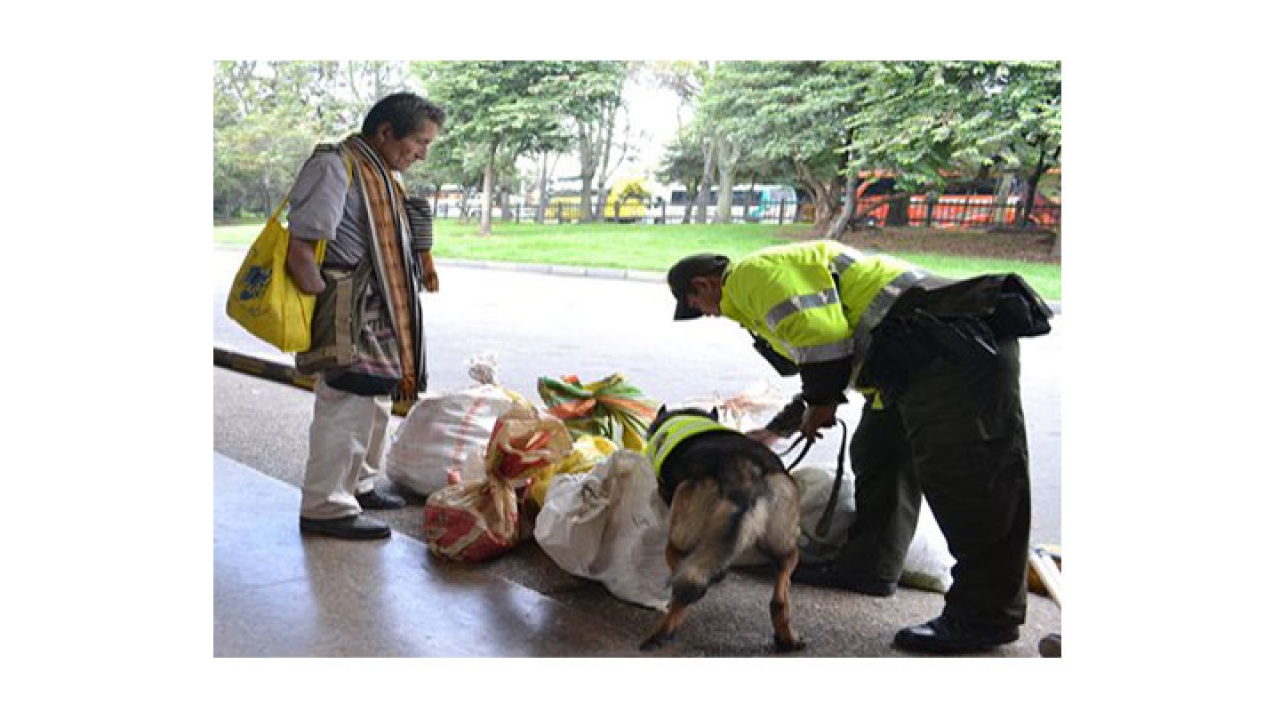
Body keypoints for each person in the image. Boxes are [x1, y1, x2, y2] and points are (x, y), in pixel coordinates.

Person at [665, 240, 1053, 654]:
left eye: (697, 306)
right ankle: (870, 566)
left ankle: (983, 616)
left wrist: (822, 402)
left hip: (950, 347)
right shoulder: (764, 281)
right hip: (913, 355)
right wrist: (779, 429)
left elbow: (821, 337)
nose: (708, 315)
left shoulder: (747, 278)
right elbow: (828, 355)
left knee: (970, 480)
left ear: (703, 285)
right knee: (877, 449)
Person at [285, 92, 446, 540]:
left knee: (374, 399)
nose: (422, 152)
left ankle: (360, 483)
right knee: (346, 404)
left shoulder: (383, 175)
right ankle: (325, 505)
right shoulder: (337, 166)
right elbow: (301, 250)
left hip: (380, 312)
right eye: (419, 141)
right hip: (350, 307)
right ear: (386, 132)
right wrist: (328, 299)